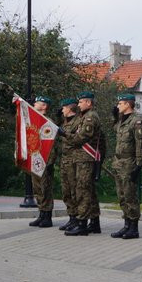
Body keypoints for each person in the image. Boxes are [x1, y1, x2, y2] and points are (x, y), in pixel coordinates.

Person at [61, 91, 103, 236]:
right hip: (81, 158)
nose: (78, 105)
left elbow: (80, 138)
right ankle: (94, 223)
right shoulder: (84, 116)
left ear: (88, 103)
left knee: (83, 190)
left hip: (86, 159)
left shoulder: (90, 117)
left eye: (80, 102)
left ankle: (82, 224)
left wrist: (65, 134)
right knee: (88, 190)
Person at [110, 93, 142, 239]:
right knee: (122, 195)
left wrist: (139, 165)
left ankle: (133, 227)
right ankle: (126, 224)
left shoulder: (136, 121)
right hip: (119, 163)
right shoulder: (121, 121)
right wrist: (114, 116)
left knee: (130, 196)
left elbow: (140, 144)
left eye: (120, 103)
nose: (118, 106)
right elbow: (114, 128)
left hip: (129, 163)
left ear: (127, 104)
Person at [29, 96, 57, 228]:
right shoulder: (35, 121)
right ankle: (41, 214)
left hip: (45, 161)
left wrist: (49, 162)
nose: (34, 104)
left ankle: (47, 216)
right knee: (37, 188)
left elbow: (50, 145)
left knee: (45, 189)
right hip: (36, 159)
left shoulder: (47, 122)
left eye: (37, 103)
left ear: (44, 106)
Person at [57, 98, 81, 231]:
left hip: (73, 160)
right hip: (65, 160)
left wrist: (65, 134)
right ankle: (71, 217)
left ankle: (77, 218)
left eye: (64, 108)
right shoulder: (65, 122)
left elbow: (77, 140)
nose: (62, 110)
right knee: (66, 190)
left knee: (74, 190)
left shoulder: (78, 122)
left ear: (69, 108)